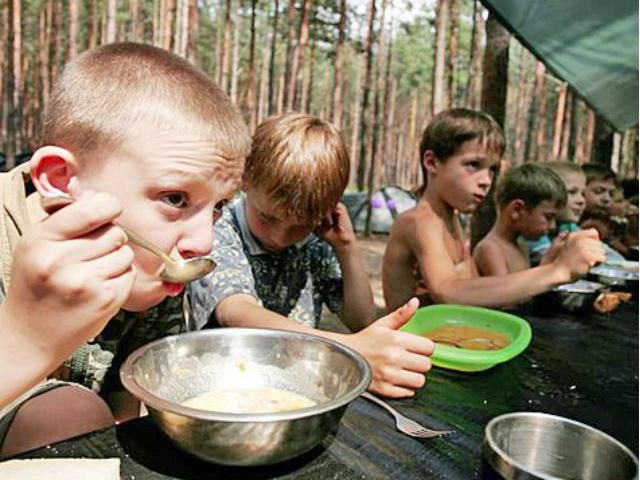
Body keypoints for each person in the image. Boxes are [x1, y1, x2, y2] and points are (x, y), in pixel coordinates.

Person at [0, 42, 251, 456]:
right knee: (69, 412)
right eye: (174, 199)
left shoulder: (152, 271)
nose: (204, 243)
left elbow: (123, 406)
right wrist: (26, 339)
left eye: (220, 206)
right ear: (62, 180)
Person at [190, 113, 434, 399]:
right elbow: (236, 312)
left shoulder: (317, 240)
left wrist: (346, 248)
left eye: (300, 225)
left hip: (294, 389)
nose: (280, 236)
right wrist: (348, 350)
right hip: (219, 387)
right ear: (245, 180)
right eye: (267, 218)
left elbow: (362, 319)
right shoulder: (220, 227)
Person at [382, 108, 605, 311]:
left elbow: (476, 287)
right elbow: (448, 291)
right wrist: (558, 271)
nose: (486, 180)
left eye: (492, 170)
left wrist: (549, 263)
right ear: (432, 162)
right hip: (409, 347)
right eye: (473, 165)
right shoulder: (420, 221)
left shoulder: (450, 217)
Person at [473, 163, 567, 276]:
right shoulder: (490, 250)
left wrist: (550, 259)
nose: (552, 226)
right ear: (516, 210)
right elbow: (505, 292)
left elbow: (526, 288)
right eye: (548, 217)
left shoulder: (522, 245)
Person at [524, 161, 586, 265]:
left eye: (583, 193)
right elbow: (555, 263)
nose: (581, 200)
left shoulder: (568, 226)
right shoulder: (536, 228)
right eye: (572, 192)